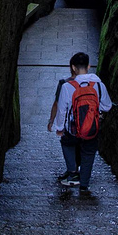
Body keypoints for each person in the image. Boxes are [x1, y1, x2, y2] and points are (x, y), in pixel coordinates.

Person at [47, 51, 112, 194]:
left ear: (73, 68)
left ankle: (72, 171)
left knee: (67, 144)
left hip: (72, 129)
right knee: (89, 153)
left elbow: (62, 110)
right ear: (88, 66)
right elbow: (107, 106)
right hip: (92, 127)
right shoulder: (98, 85)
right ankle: (84, 185)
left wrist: (59, 127)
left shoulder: (67, 86)